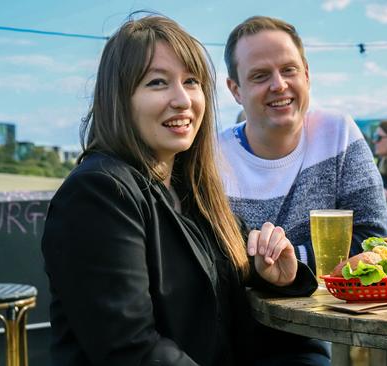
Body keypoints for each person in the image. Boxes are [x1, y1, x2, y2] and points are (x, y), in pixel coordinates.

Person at [41, 14, 316, 366]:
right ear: (120, 98)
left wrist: (276, 276)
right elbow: (129, 348)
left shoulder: (193, 191)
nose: (183, 100)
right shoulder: (98, 193)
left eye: (191, 81)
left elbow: (230, 304)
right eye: (157, 83)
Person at [218, 15, 387, 365]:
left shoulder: (337, 133)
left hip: (298, 340)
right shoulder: (210, 156)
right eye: (260, 75)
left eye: (289, 70)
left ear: (307, 75)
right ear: (235, 90)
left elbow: (378, 243)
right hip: (220, 335)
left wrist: (289, 263)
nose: (279, 85)